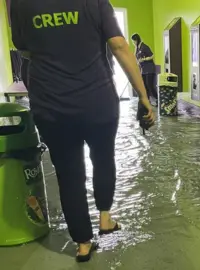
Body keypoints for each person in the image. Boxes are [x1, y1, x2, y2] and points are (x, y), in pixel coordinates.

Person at [10, 0, 155, 262]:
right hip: (96, 99)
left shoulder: (21, 3)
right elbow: (119, 45)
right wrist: (143, 96)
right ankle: (105, 218)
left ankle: (83, 243)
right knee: (103, 159)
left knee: (68, 173)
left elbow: (24, 49)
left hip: (51, 103)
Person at [131, 33, 158, 105]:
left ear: (137, 40)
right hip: (143, 70)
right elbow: (135, 57)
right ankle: (147, 100)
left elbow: (152, 56)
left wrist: (144, 59)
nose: (133, 43)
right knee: (144, 85)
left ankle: (158, 99)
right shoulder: (137, 48)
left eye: (134, 41)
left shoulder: (144, 47)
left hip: (149, 69)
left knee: (150, 85)